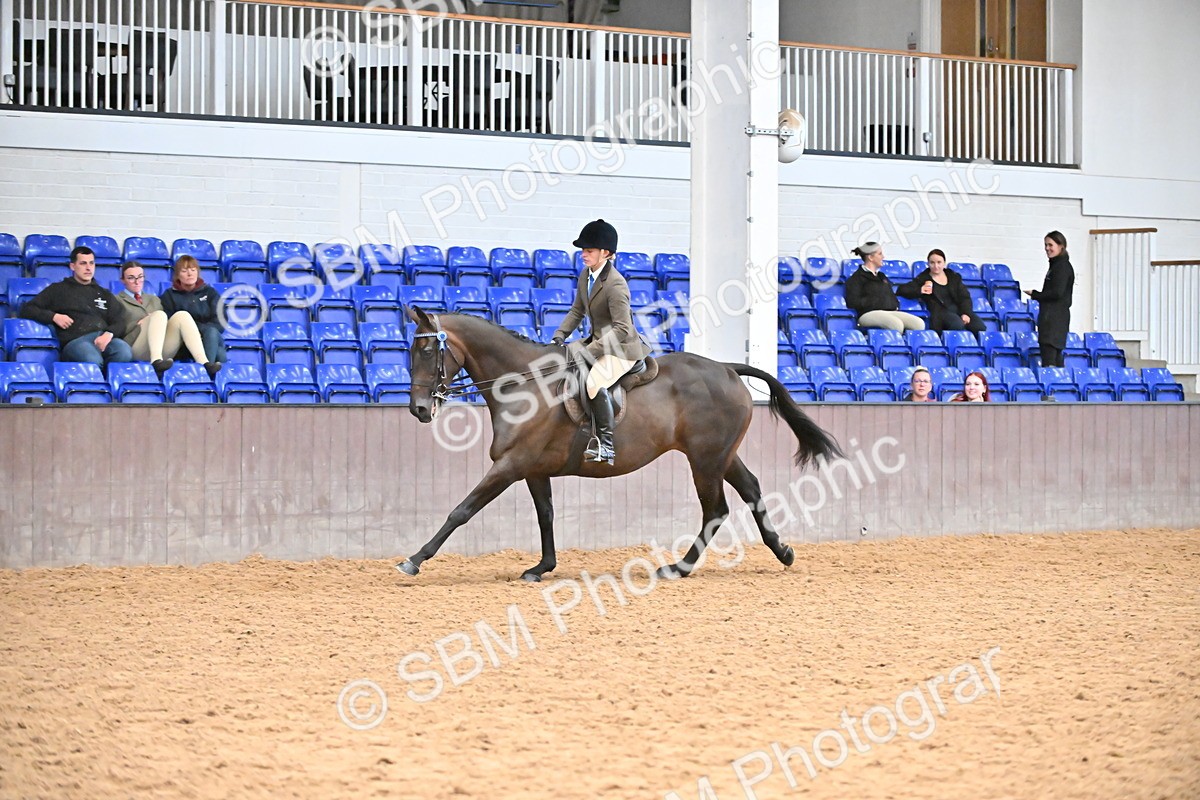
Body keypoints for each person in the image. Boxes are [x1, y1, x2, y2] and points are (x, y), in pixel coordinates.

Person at [550, 219, 650, 465]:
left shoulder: (616, 284)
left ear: (605, 253)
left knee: (595, 382)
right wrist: (559, 335)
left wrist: (590, 351)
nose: (583, 255)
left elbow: (622, 328)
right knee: (562, 361)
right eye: (583, 250)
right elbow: (576, 311)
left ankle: (606, 445)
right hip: (597, 341)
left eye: (589, 250)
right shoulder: (586, 275)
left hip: (622, 349)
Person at [19, 245, 134, 368]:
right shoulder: (58, 289)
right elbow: (27, 309)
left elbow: (120, 320)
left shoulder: (104, 293)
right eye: (83, 263)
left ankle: (108, 384)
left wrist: (109, 334)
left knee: (124, 352)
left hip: (102, 337)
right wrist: (54, 317)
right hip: (75, 341)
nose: (88, 268)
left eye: (91, 263)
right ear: (72, 266)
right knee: (92, 358)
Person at [116, 260, 218, 378]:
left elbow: (163, 324)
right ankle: (155, 362)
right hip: (135, 345)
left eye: (140, 277)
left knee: (182, 315)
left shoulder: (154, 299)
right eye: (131, 278)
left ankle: (203, 363)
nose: (137, 281)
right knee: (159, 314)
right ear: (123, 280)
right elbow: (117, 327)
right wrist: (142, 322)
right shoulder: (117, 300)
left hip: (159, 347)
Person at [160, 255, 225, 377]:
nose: (190, 274)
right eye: (184, 271)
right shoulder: (169, 295)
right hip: (183, 343)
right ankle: (208, 377)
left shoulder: (210, 292)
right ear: (177, 275)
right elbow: (168, 323)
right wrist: (193, 333)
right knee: (220, 354)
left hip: (209, 337)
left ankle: (204, 375)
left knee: (212, 333)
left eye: (193, 270)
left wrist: (200, 331)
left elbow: (220, 322)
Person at [898, 249, 986, 334]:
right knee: (957, 324)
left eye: (939, 262)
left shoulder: (954, 277)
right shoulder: (923, 278)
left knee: (980, 327)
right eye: (932, 263)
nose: (936, 266)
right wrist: (920, 290)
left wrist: (966, 313)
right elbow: (902, 289)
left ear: (944, 263)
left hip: (958, 310)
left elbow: (965, 297)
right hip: (940, 313)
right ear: (928, 264)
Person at [843, 242, 925, 332]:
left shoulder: (882, 276)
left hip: (890, 312)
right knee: (896, 324)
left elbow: (891, 295)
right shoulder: (856, 278)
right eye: (880, 254)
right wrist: (876, 302)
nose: (883, 257)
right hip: (868, 314)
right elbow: (853, 302)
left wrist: (895, 305)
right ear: (870, 257)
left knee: (918, 324)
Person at [1024, 230, 1074, 368]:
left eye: (1050, 245)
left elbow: (1057, 293)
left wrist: (1035, 294)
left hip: (1054, 320)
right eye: (1046, 245)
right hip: (1054, 319)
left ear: (1061, 246)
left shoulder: (1061, 267)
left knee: (1050, 361)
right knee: (1054, 359)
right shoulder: (1057, 265)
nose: (1047, 248)